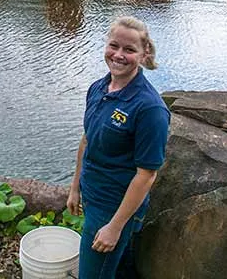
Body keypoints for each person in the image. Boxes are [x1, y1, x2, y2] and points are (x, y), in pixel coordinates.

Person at [67, 16, 170, 279]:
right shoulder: (98, 88)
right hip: (92, 196)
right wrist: (75, 188)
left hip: (114, 209)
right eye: (114, 46)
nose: (119, 55)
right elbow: (87, 139)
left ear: (144, 53)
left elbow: (147, 174)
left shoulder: (150, 109)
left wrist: (114, 226)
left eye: (129, 49)